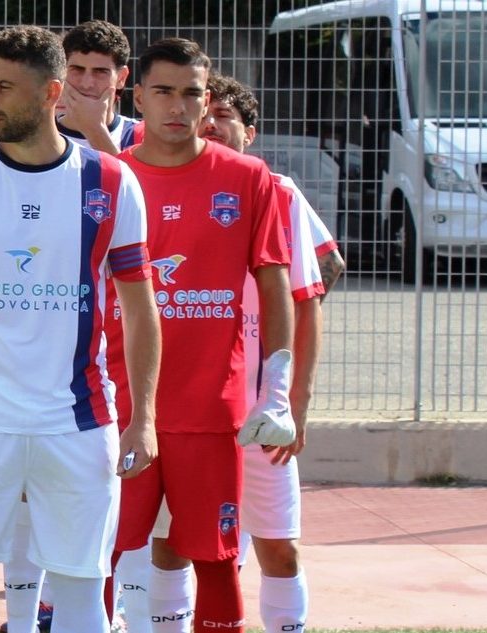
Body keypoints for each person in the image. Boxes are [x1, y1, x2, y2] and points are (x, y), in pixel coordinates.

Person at [0, 25, 161, 633]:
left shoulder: (113, 182)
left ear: (51, 94)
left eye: (5, 87)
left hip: (77, 422)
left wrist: (142, 416)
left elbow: (141, 307)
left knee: (80, 591)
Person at [137, 71, 346, 633]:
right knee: (174, 543)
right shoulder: (148, 182)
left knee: (277, 547)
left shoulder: (274, 191)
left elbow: (308, 300)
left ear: (248, 132)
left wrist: (292, 403)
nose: (209, 124)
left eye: (222, 114)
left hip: (259, 415)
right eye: (205, 113)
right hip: (190, 410)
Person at [110, 38, 294, 633]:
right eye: (162, 91)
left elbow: (274, 284)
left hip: (210, 410)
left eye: (191, 93)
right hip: (116, 406)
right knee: (99, 558)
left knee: (216, 559)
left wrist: (279, 392)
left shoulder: (247, 178)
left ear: (206, 100)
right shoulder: (108, 178)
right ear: (136, 97)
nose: (177, 106)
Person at [56, 19, 143, 155]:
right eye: (77, 69)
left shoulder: (142, 136)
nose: (87, 84)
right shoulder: (36, 136)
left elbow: (133, 177)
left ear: (121, 78)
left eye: (100, 71)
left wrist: (95, 130)